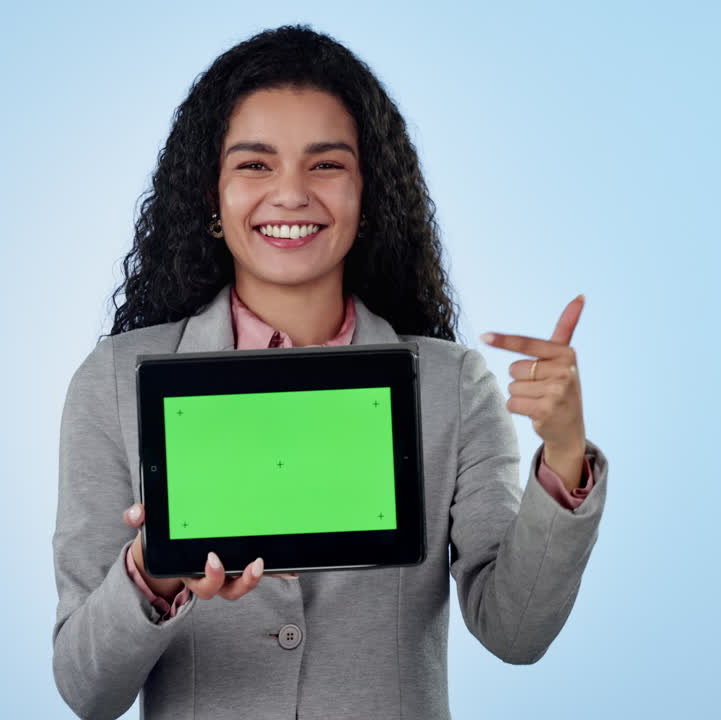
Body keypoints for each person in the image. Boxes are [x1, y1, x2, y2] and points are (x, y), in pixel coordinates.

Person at [52, 24, 608, 720]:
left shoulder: (451, 386)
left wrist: (562, 452)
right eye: (255, 165)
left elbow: (516, 630)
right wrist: (153, 570)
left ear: (368, 194)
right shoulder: (114, 381)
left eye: (326, 164)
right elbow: (85, 689)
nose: (290, 194)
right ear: (211, 197)